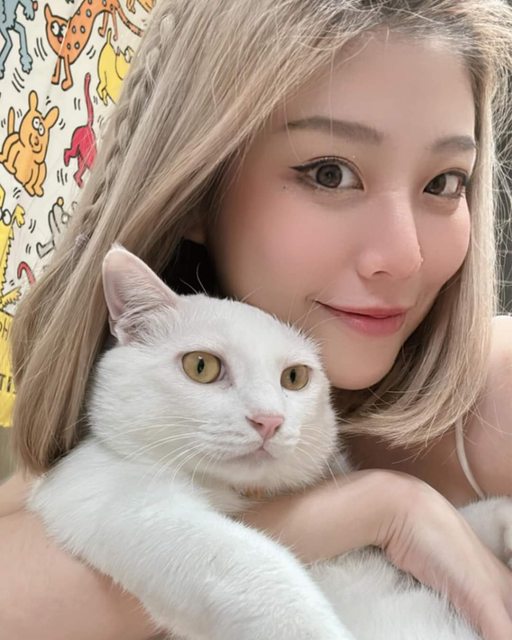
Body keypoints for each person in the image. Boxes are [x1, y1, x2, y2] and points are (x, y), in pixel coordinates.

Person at [1, 0, 512, 638]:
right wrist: (383, 508)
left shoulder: (498, 397)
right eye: (330, 173)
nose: (404, 257)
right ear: (197, 188)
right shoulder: (139, 409)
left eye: (444, 183)